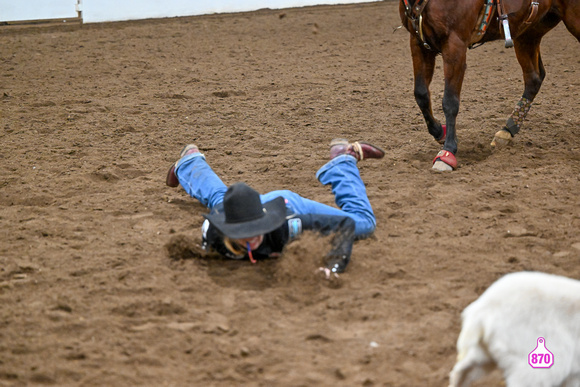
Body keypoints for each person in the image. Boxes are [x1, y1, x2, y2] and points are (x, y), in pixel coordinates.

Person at [165, 138, 384, 278]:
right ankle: (190, 162)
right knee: (221, 200)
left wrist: (333, 266)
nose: (250, 238)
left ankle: (343, 161)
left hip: (284, 205)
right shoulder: (214, 234)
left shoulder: (288, 225)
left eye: (255, 231)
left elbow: (343, 225)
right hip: (238, 208)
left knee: (363, 224)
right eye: (243, 234)